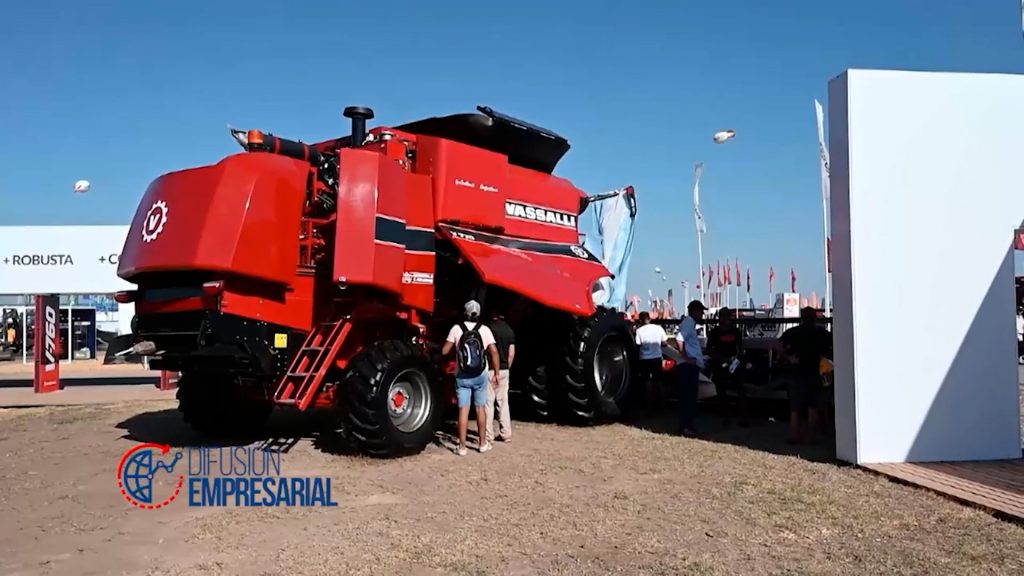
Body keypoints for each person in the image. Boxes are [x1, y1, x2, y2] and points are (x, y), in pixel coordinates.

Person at [442, 300, 501, 456]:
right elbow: (494, 352)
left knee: (463, 410)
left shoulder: (456, 329)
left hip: (462, 375)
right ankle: (482, 443)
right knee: (480, 408)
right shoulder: (485, 330)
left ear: (465, 312)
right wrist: (496, 373)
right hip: (480, 375)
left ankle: (461, 447)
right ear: (478, 313)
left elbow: (444, 351)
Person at [777, 306, 833, 444]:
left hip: (797, 372)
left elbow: (777, 344)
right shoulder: (823, 333)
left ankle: (795, 437)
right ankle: (810, 438)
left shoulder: (793, 332)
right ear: (815, 318)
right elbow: (830, 350)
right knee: (813, 407)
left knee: (795, 408)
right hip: (816, 372)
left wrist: (788, 358)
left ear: (801, 317)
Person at [706, 307, 747, 426]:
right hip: (720, 364)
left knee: (740, 389)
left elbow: (741, 347)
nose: (724, 320)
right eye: (722, 317)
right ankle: (726, 416)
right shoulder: (715, 332)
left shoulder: (735, 331)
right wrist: (722, 359)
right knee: (721, 390)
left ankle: (742, 417)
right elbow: (709, 350)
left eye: (726, 317)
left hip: (735, 363)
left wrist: (737, 358)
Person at [674, 300, 707, 437]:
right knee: (689, 397)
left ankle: (686, 426)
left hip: (688, 365)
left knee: (688, 396)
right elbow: (679, 339)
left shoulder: (688, 323)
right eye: (701, 311)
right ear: (695, 311)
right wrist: (687, 358)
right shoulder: (689, 322)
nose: (702, 314)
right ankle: (686, 426)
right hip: (688, 365)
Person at [484, 312, 515, 444]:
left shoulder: (488, 329)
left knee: (488, 402)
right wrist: (507, 367)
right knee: (503, 402)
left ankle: (488, 435)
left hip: (490, 369)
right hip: (504, 370)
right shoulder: (509, 330)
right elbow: (511, 353)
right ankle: (506, 433)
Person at [634, 311, 668, 407]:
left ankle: (648, 404)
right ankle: (663, 404)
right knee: (659, 381)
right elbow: (665, 342)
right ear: (649, 318)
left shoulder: (639, 331)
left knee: (647, 381)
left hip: (644, 358)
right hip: (656, 357)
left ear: (640, 320)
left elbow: (638, 345)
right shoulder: (658, 328)